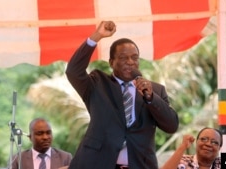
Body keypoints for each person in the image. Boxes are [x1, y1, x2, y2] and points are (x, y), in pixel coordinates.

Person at [65, 20, 179, 169]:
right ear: (111, 62)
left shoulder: (155, 91)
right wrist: (96, 37)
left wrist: (151, 98)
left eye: (134, 57)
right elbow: (73, 71)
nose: (130, 62)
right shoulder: (97, 84)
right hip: (97, 163)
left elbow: (171, 126)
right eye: (123, 58)